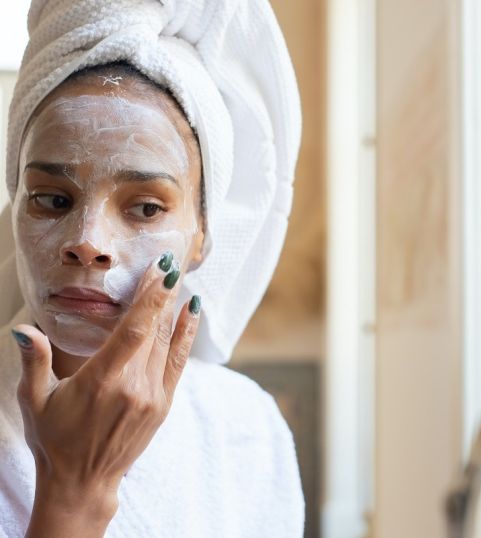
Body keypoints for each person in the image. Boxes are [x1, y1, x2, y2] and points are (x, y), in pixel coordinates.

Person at [0, 1, 304, 537]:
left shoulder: (248, 431)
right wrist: (72, 495)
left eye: (145, 208)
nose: (88, 242)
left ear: (201, 237)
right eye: (52, 199)